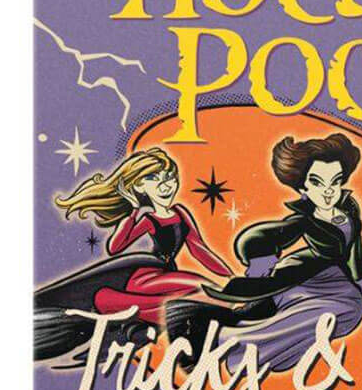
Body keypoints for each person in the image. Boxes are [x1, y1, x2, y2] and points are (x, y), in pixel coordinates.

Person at [167, 132, 362, 372]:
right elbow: (263, 236)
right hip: (311, 277)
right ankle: (230, 340)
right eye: (317, 182)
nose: (329, 191)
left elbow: (355, 248)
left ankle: (256, 343)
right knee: (343, 310)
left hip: (340, 280)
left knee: (351, 309)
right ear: (303, 186)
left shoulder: (349, 207)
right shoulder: (305, 219)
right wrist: (262, 259)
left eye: (335, 181)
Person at [34, 147, 231, 360]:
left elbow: (199, 249)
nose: (166, 185)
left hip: (167, 275)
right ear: (139, 186)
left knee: (194, 295)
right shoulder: (148, 219)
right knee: (198, 286)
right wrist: (133, 210)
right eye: (155, 179)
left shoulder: (180, 212)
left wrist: (229, 276)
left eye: (169, 178)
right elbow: (115, 248)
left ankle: (112, 303)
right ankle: (109, 303)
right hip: (145, 276)